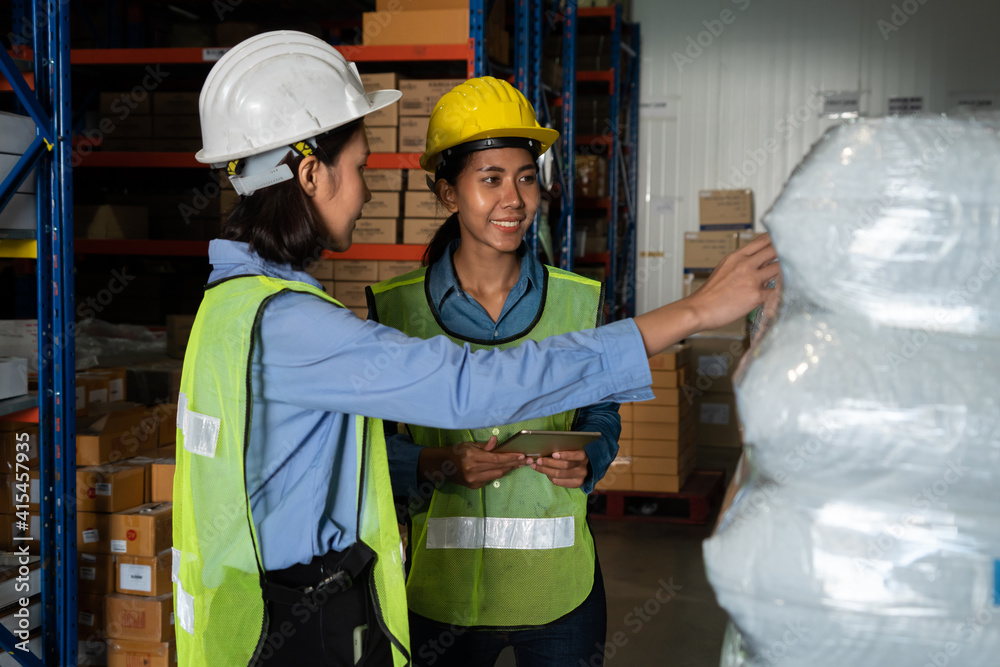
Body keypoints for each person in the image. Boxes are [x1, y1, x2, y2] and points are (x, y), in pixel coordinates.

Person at [174, 31, 779, 667]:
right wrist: (697, 310)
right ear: (309, 173)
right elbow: (473, 388)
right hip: (295, 624)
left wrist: (592, 452)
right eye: (360, 169)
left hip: (258, 615)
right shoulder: (292, 323)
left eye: (525, 178)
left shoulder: (232, 305)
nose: (369, 191)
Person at [368, 76, 622, 667]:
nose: (514, 198)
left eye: (526, 177)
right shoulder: (397, 311)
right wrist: (433, 464)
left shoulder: (577, 302)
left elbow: (601, 411)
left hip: (560, 588)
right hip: (441, 591)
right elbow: (366, 448)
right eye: (490, 179)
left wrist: (591, 457)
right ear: (448, 193)